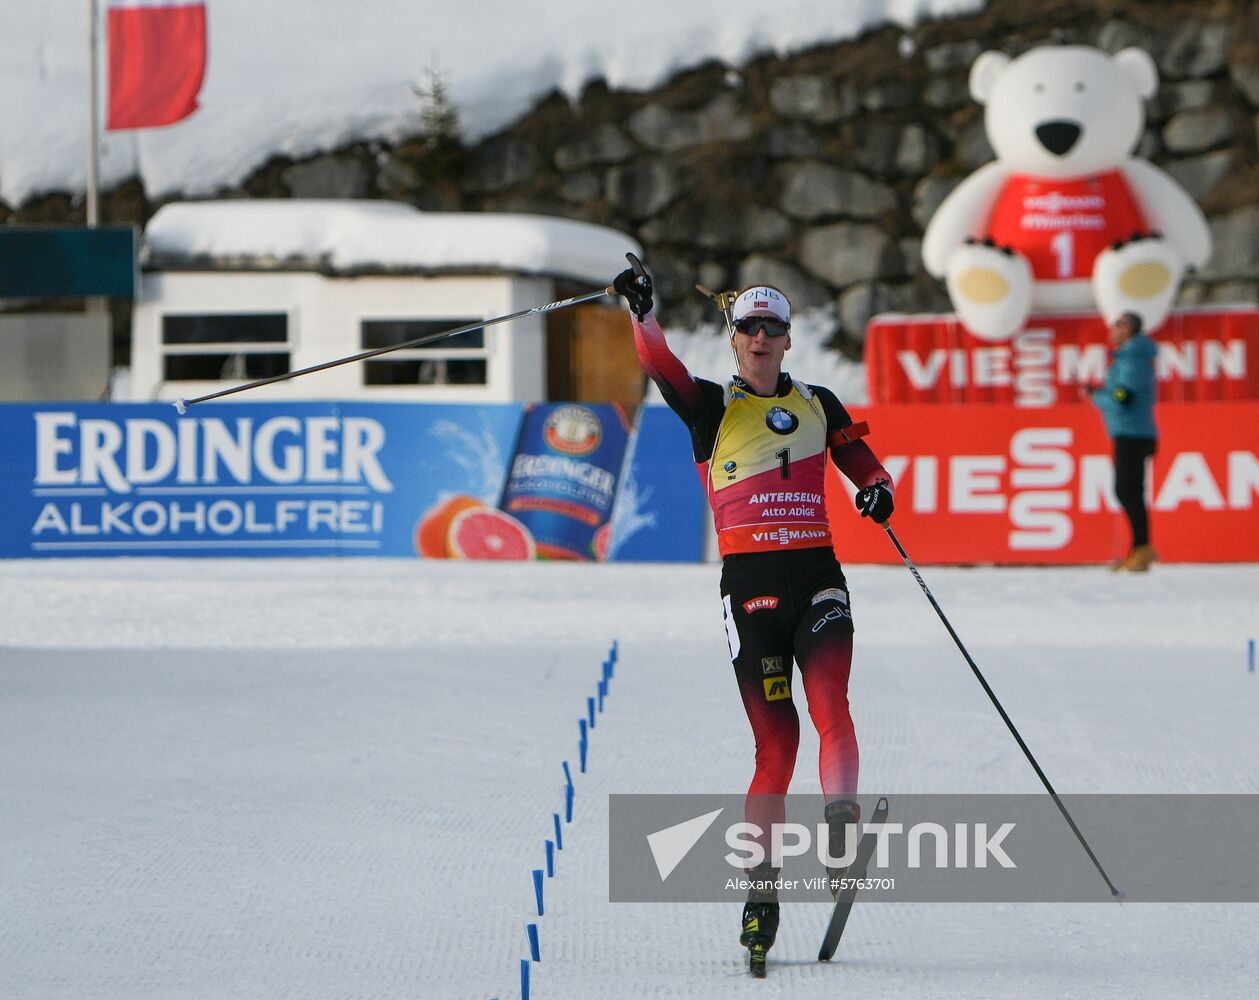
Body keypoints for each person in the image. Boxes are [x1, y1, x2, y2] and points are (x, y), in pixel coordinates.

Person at [613, 263, 895, 968]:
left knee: (831, 698)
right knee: (776, 747)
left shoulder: (819, 402)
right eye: (749, 327)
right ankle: (760, 898)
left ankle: (839, 826)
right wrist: (641, 316)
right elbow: (660, 365)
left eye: (773, 327)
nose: (761, 337)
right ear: (733, 338)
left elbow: (861, 461)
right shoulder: (708, 406)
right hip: (750, 590)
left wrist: (878, 490)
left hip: (817, 577)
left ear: (788, 338)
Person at [1082, 312, 1158, 572]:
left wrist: (1095, 396)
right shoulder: (1129, 357)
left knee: (1128, 491)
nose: (1112, 329)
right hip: (1132, 432)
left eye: (1119, 324)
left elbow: (1123, 398)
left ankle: (1142, 548)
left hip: (1133, 433)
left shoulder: (1133, 358)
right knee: (1129, 491)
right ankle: (1138, 549)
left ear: (1130, 330)